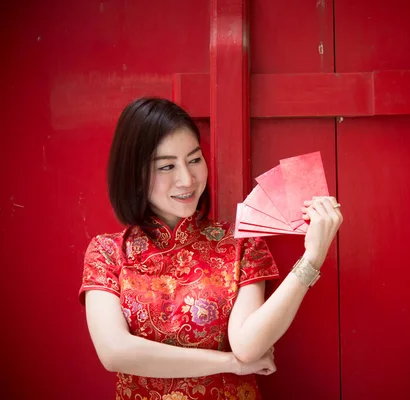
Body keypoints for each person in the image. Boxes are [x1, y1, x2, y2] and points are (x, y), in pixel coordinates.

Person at [79, 97, 343, 399]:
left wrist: (311, 259)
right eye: (167, 166)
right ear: (134, 174)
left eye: (194, 160)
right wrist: (230, 364)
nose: (187, 179)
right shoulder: (108, 253)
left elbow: (248, 345)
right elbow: (115, 351)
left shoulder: (240, 243)